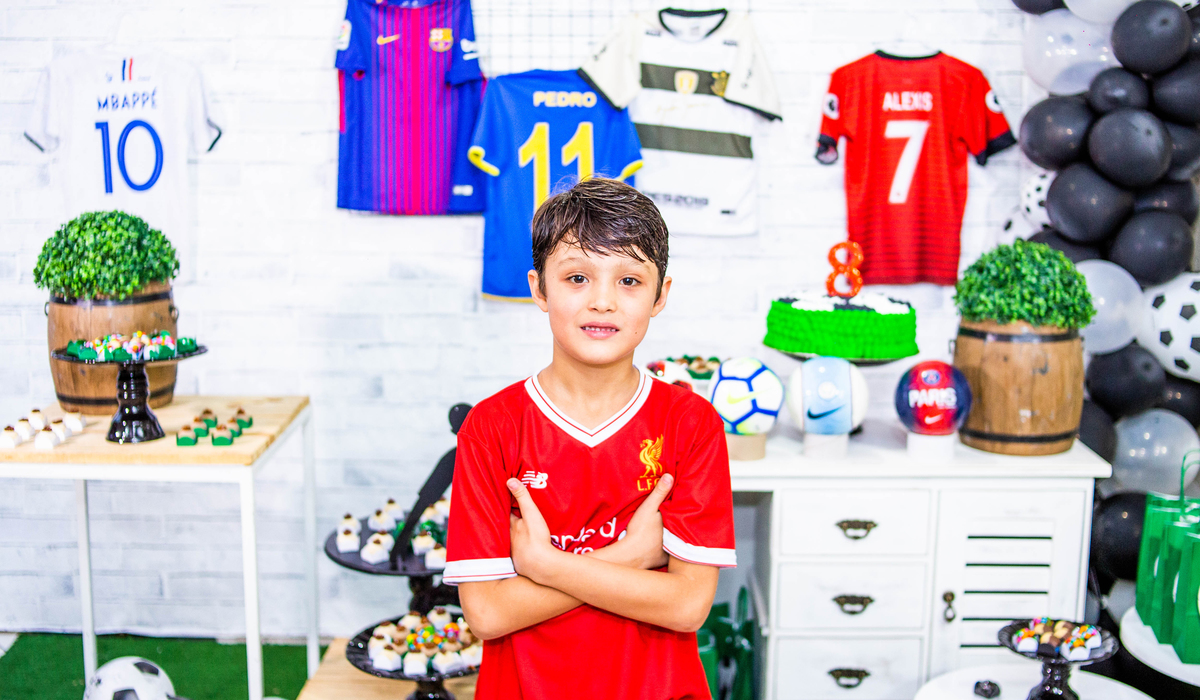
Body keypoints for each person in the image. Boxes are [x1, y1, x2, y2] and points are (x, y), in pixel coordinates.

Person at [444, 177, 736, 699]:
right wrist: (628, 556)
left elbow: (688, 606)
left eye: (629, 280)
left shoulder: (692, 423)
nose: (603, 301)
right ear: (539, 288)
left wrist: (544, 565)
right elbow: (486, 614)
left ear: (661, 295)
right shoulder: (491, 428)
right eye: (577, 277)